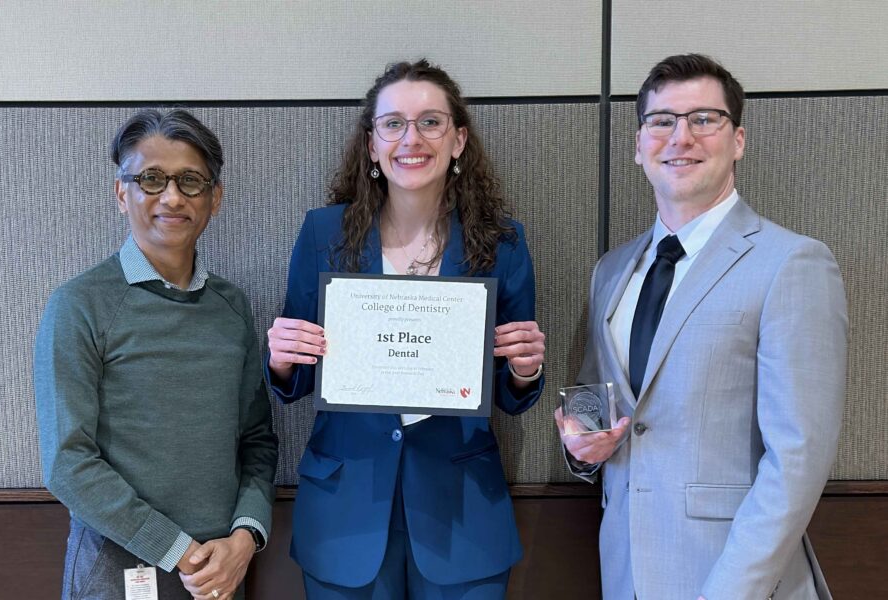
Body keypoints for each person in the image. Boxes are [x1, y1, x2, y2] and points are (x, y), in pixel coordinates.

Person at [557, 54, 847, 600]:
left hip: (733, 579)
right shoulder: (613, 270)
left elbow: (798, 459)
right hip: (624, 572)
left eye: (704, 119)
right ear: (638, 145)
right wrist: (580, 446)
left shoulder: (793, 263)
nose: (680, 137)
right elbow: (601, 403)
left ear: (738, 139)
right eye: (662, 121)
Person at [267, 59, 546, 599]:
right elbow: (297, 382)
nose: (410, 138)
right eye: (392, 123)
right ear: (372, 144)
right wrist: (282, 359)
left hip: (462, 514)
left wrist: (524, 371)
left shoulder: (504, 242)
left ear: (458, 139)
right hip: (345, 511)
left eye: (430, 122)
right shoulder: (324, 233)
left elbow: (513, 398)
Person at [34, 109, 278, 600]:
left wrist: (245, 539)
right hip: (117, 572)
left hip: (220, 574)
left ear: (215, 198)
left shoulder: (231, 307)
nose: (171, 196)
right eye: (151, 179)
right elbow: (68, 463)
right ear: (122, 193)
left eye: (190, 181)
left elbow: (257, 441)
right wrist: (180, 552)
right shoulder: (79, 304)